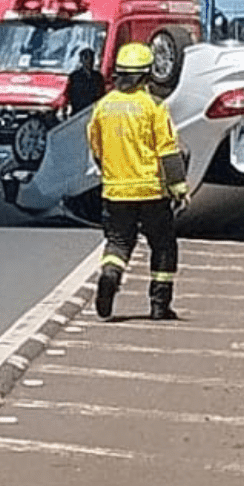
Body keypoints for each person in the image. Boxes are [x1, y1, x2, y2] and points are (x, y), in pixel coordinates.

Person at [87, 42, 189, 321]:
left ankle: (111, 274)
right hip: (151, 191)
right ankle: (159, 305)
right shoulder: (153, 106)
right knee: (163, 245)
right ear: (147, 75)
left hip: (115, 192)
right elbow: (168, 150)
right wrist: (179, 187)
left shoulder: (103, 107)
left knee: (118, 244)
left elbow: (96, 149)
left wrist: (111, 174)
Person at [66, 46, 105, 115]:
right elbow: (72, 95)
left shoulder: (98, 76)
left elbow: (101, 93)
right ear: (81, 60)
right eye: (86, 58)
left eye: (91, 58)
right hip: (79, 112)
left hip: (94, 110)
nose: (89, 61)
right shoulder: (75, 76)